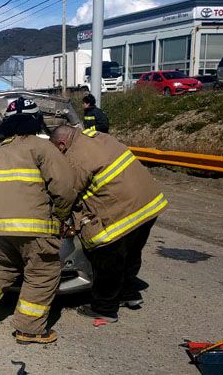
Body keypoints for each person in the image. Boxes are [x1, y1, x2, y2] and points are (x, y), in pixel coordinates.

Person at [0, 97, 77, 345]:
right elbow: (64, 188)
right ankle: (29, 329)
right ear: (36, 122)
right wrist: (61, 216)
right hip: (32, 227)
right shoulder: (43, 148)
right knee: (42, 272)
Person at [49, 126, 168, 323]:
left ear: (61, 144)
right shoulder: (99, 137)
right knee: (130, 254)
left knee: (106, 260)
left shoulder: (75, 159)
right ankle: (129, 294)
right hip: (149, 205)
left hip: (121, 212)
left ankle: (105, 308)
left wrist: (58, 216)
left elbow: (68, 194)